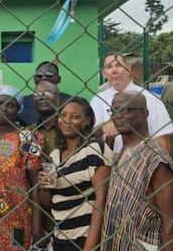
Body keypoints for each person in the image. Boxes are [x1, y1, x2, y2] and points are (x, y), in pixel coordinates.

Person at [102, 92, 173, 251]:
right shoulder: (121, 152)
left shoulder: (154, 157)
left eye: (126, 110)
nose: (119, 115)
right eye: (115, 110)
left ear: (145, 114)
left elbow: (170, 223)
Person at [38, 97, 112, 251]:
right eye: (63, 115)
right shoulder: (55, 155)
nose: (67, 121)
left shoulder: (94, 149)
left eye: (75, 116)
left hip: (84, 240)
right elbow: (48, 203)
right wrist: (44, 186)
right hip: (60, 238)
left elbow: (102, 201)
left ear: (87, 120)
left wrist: (90, 246)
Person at [0, 85, 43, 251]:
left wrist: (36, 225)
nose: (3, 108)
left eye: (10, 105)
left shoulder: (27, 138)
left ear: (18, 109)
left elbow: (35, 184)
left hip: (17, 216)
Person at [91, 53, 173, 153]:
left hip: (141, 159)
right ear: (104, 73)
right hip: (106, 160)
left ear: (128, 69)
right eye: (109, 67)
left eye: (118, 65)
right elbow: (89, 135)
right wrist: (102, 128)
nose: (114, 71)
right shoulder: (98, 100)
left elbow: (162, 140)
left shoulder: (149, 99)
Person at [19, 62, 71, 126]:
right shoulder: (24, 101)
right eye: (39, 76)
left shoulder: (69, 101)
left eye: (49, 75)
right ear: (34, 79)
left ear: (59, 79)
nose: (43, 78)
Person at [27, 80, 63, 159]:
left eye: (48, 93)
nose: (42, 97)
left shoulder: (68, 128)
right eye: (37, 94)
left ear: (58, 97)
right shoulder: (29, 131)